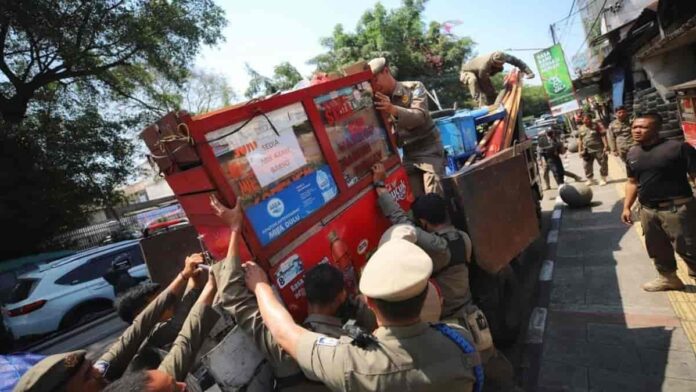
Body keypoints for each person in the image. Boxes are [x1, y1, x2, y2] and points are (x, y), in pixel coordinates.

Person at [242, 237, 480, 391]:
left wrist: (260, 286)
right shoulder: (460, 339)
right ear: (425, 292)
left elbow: (285, 333)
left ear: (369, 302)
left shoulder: (353, 363)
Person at [372, 163, 520, 392]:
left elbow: (401, 222)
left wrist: (381, 188)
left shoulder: (437, 247)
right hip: (474, 317)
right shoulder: (463, 238)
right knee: (494, 369)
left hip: (453, 324)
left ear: (423, 222)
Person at [208, 195, 375, 391]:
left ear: (306, 294)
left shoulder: (287, 347)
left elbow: (232, 295)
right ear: (341, 296)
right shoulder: (354, 340)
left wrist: (235, 228)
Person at [12, 255, 209, 392]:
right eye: (88, 377)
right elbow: (180, 351)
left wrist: (184, 276)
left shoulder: (100, 372)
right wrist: (212, 285)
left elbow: (137, 329)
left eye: (91, 368)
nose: (98, 372)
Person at [101, 272, 219, 391]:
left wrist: (193, 282)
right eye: (159, 304)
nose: (169, 305)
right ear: (141, 314)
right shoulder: (148, 342)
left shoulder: (142, 338)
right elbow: (178, 325)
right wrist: (195, 283)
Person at [621, 112, 696, 292]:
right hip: (648, 211)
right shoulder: (632, 153)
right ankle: (668, 278)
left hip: (677, 208)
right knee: (657, 248)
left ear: (657, 129)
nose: (637, 131)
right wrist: (626, 207)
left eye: (643, 127)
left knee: (689, 247)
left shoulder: (678, 148)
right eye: (634, 127)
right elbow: (632, 182)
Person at [368, 57, 445, 197]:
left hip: (429, 150)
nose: (374, 85)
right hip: (408, 155)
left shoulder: (414, 88)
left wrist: (392, 109)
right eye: (370, 82)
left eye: (375, 79)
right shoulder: (377, 102)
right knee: (414, 201)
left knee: (434, 199)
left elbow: (419, 116)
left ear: (386, 71)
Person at [459, 51, 535, 106]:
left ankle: (493, 102)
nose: (500, 65)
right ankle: (482, 106)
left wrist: (529, 72)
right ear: (493, 61)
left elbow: (517, 62)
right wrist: (488, 96)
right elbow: (484, 82)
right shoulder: (484, 66)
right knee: (474, 81)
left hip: (481, 72)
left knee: (490, 92)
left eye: (502, 63)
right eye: (498, 63)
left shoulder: (504, 56)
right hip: (467, 72)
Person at [578, 113, 609, 186]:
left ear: (590, 119)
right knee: (586, 166)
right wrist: (580, 151)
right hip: (587, 151)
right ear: (582, 120)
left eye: (588, 119)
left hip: (599, 149)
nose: (587, 121)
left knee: (603, 163)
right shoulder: (581, 128)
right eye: (585, 119)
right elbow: (580, 140)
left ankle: (603, 178)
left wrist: (606, 145)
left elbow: (603, 136)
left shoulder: (596, 126)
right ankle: (590, 179)